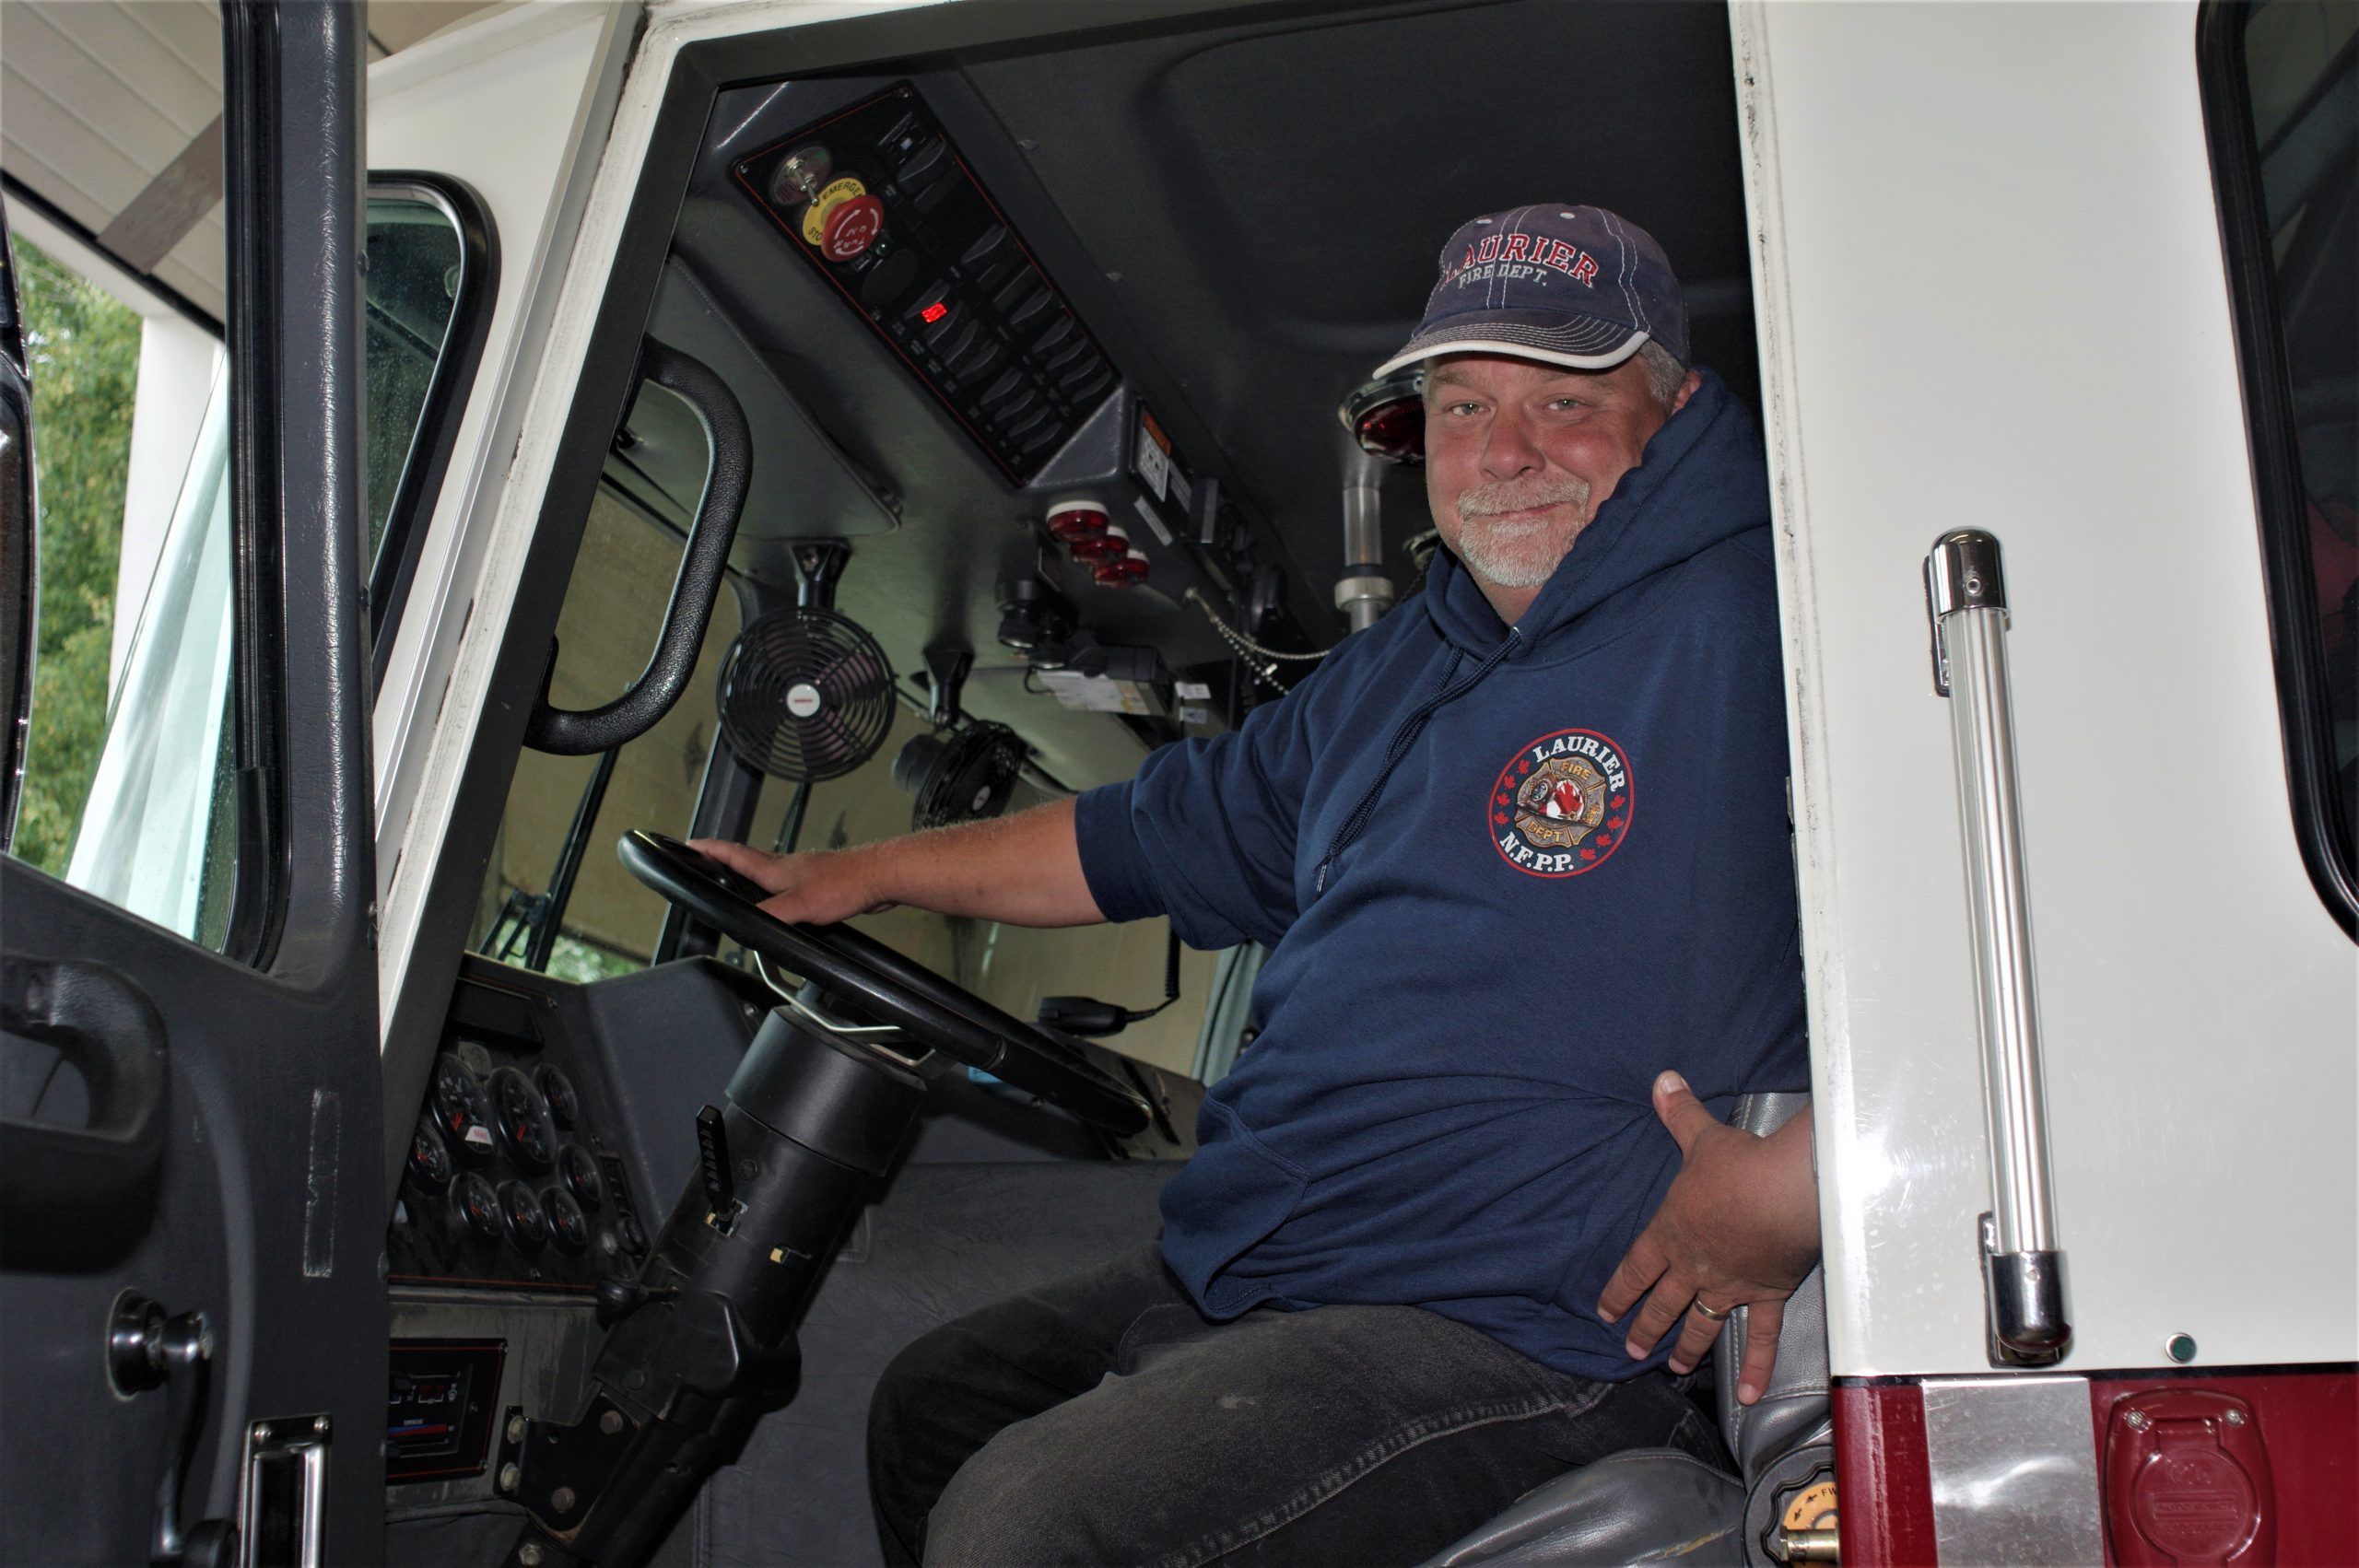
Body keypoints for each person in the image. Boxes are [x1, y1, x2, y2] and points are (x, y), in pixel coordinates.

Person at [698, 205, 1820, 1567]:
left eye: (1565, 401)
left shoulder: (1771, 610)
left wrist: (1809, 1179)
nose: (1505, 452)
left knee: (1036, 1521)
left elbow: (2048, 871)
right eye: (1465, 405)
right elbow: (1136, 839)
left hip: (1531, 1318)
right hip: (1272, 1264)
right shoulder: (1399, 667)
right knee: (933, 1408)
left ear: (1676, 405)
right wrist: (850, 873)